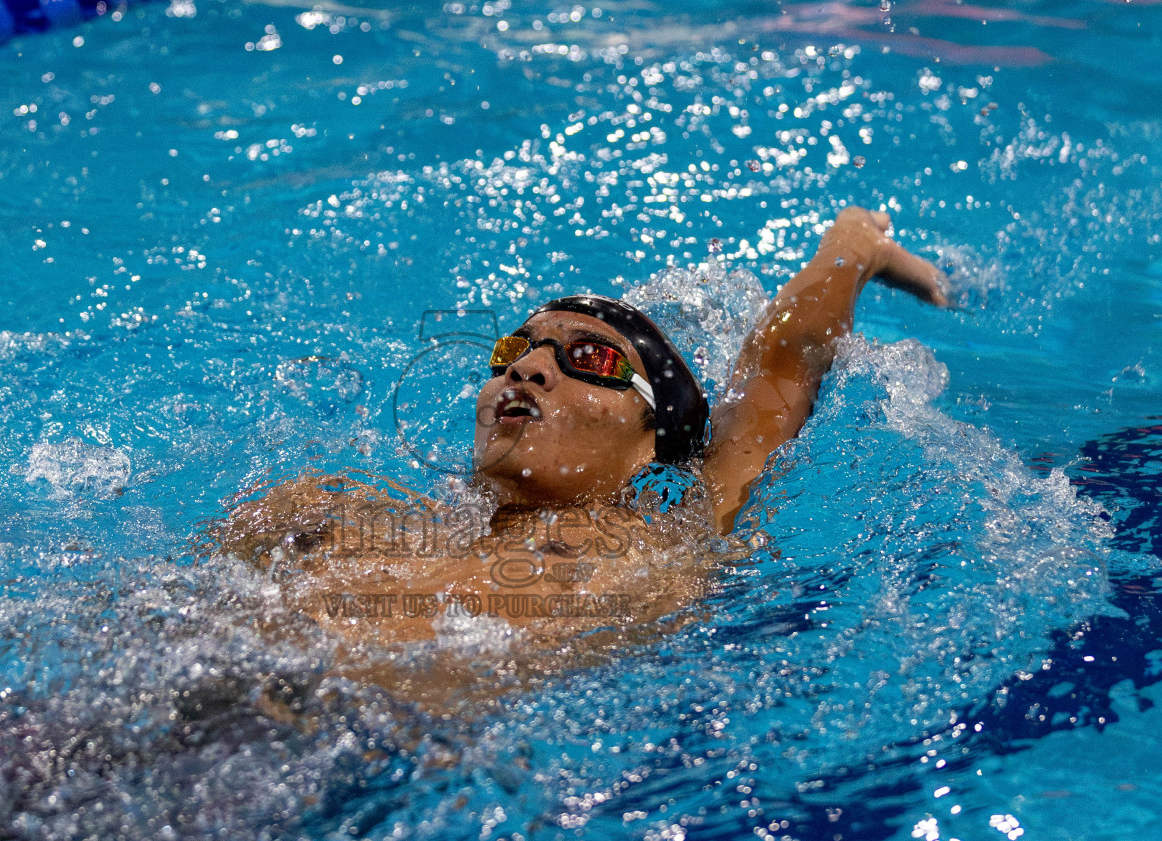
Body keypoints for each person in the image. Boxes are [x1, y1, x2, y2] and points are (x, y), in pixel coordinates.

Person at [208, 207, 946, 704]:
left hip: (352, 735)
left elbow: (781, 363)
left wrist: (854, 244)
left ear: (651, 438)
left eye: (587, 357)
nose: (525, 371)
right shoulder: (348, 514)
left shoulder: (675, 528)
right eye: (513, 353)